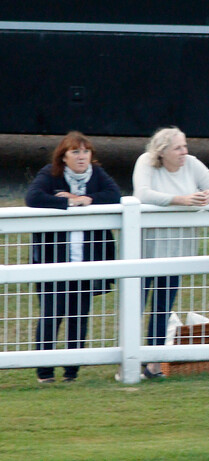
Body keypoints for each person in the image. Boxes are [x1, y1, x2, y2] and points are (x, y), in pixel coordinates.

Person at [25, 131, 121, 383]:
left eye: (86, 151)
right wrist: (67, 203)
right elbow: (33, 197)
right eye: (75, 152)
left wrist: (87, 199)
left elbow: (115, 196)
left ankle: (71, 373)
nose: (81, 157)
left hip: (85, 263)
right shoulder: (50, 174)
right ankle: (44, 373)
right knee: (50, 315)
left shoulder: (97, 175)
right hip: (52, 262)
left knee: (78, 317)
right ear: (63, 156)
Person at [132, 127, 209, 377]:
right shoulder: (146, 162)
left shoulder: (192, 164)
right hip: (145, 251)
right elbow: (142, 194)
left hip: (178, 251)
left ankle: (153, 363)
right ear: (162, 151)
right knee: (136, 306)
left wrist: (207, 197)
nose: (184, 151)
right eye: (178, 148)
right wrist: (180, 200)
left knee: (162, 308)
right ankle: (128, 361)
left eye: (185, 146)